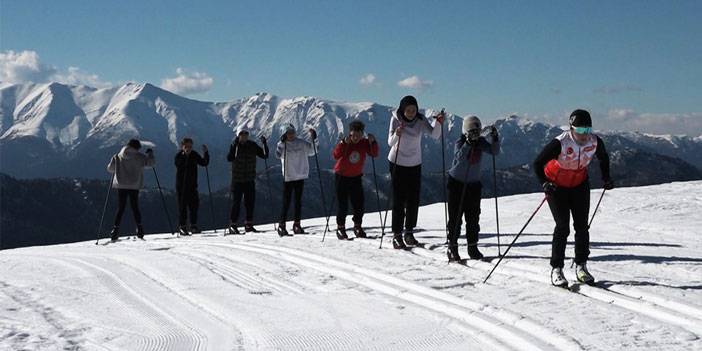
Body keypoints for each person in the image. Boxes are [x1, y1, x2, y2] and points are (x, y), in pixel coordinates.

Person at [533, 109, 613, 287]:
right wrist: (544, 183)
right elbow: (537, 163)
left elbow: (603, 157)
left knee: (582, 227)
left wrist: (606, 177)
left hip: (579, 184)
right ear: (571, 128)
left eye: (588, 130)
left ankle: (581, 266)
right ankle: (557, 269)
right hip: (557, 186)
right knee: (562, 226)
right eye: (581, 130)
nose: (585, 134)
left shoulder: (594, 141)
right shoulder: (560, 142)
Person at [387, 95, 444, 249]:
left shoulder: (420, 120)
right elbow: (389, 142)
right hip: (397, 162)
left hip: (414, 163)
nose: (411, 112)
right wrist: (396, 134)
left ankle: (409, 231)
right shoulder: (396, 119)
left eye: (414, 110)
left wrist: (438, 123)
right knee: (399, 199)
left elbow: (435, 135)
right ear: (402, 109)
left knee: (413, 199)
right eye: (408, 110)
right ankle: (397, 234)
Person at [446, 116, 500, 261]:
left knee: (473, 218)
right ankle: (452, 246)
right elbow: (459, 157)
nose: (476, 134)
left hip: (473, 185)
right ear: (466, 131)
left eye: (477, 131)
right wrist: (468, 143)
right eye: (472, 131)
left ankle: (472, 246)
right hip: (457, 183)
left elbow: (494, 151)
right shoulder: (460, 142)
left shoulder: (481, 142)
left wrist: (495, 138)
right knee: (455, 218)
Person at [332, 120, 379, 239]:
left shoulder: (364, 143)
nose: (356, 138)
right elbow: (336, 155)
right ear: (350, 133)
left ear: (362, 134)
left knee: (359, 204)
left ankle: (357, 226)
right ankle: (341, 227)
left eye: (359, 135)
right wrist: (342, 143)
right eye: (354, 135)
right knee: (343, 204)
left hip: (356, 177)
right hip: (341, 176)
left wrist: (373, 142)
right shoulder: (345, 142)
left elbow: (374, 154)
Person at [106, 139, 155, 242]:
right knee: (135, 207)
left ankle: (115, 230)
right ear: (137, 147)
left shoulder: (117, 156)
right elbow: (151, 164)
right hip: (134, 185)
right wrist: (150, 154)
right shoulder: (140, 157)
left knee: (121, 208)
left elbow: (110, 169)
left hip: (121, 185)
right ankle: (140, 229)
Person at [275, 123, 318, 236]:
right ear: (284, 134)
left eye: (292, 132)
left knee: (298, 202)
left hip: (299, 175)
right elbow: (278, 155)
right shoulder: (282, 145)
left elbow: (313, 152)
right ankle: (282, 225)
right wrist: (281, 143)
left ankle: (296, 224)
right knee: (286, 202)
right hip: (288, 177)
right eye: (288, 133)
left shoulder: (301, 143)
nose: (291, 135)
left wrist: (314, 139)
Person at [226, 126, 269, 234]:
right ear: (238, 135)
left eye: (246, 134)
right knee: (236, 203)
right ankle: (233, 224)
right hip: (237, 179)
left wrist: (264, 144)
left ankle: (248, 224)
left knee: (250, 202)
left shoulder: (252, 145)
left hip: (249, 179)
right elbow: (229, 158)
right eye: (242, 134)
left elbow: (264, 155)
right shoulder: (235, 145)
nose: (244, 136)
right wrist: (234, 146)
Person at [174, 137, 210, 235]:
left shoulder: (194, 155)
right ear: (182, 147)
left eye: (190, 146)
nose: (188, 148)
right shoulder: (179, 156)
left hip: (192, 186)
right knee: (182, 208)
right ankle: (182, 227)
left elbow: (204, 163)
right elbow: (178, 164)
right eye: (186, 146)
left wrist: (206, 153)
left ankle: (193, 226)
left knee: (194, 207)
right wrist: (186, 156)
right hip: (181, 187)